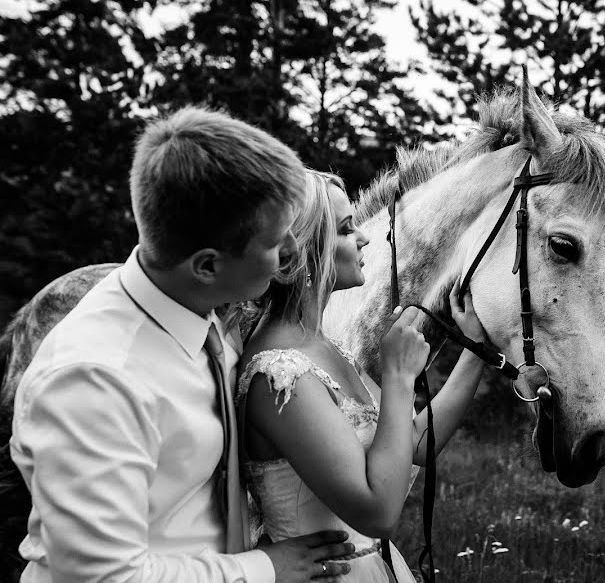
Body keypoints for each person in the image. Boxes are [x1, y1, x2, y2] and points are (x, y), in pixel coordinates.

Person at [10, 107, 354, 583]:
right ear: (207, 265)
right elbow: (107, 578)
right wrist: (262, 569)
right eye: (277, 241)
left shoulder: (212, 318)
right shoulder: (96, 378)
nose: (294, 252)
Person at [237, 171, 487, 582]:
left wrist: (474, 348)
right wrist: (399, 376)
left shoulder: (323, 345)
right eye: (345, 229)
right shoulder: (281, 373)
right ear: (302, 250)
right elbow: (378, 511)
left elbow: (413, 445)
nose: (364, 238)